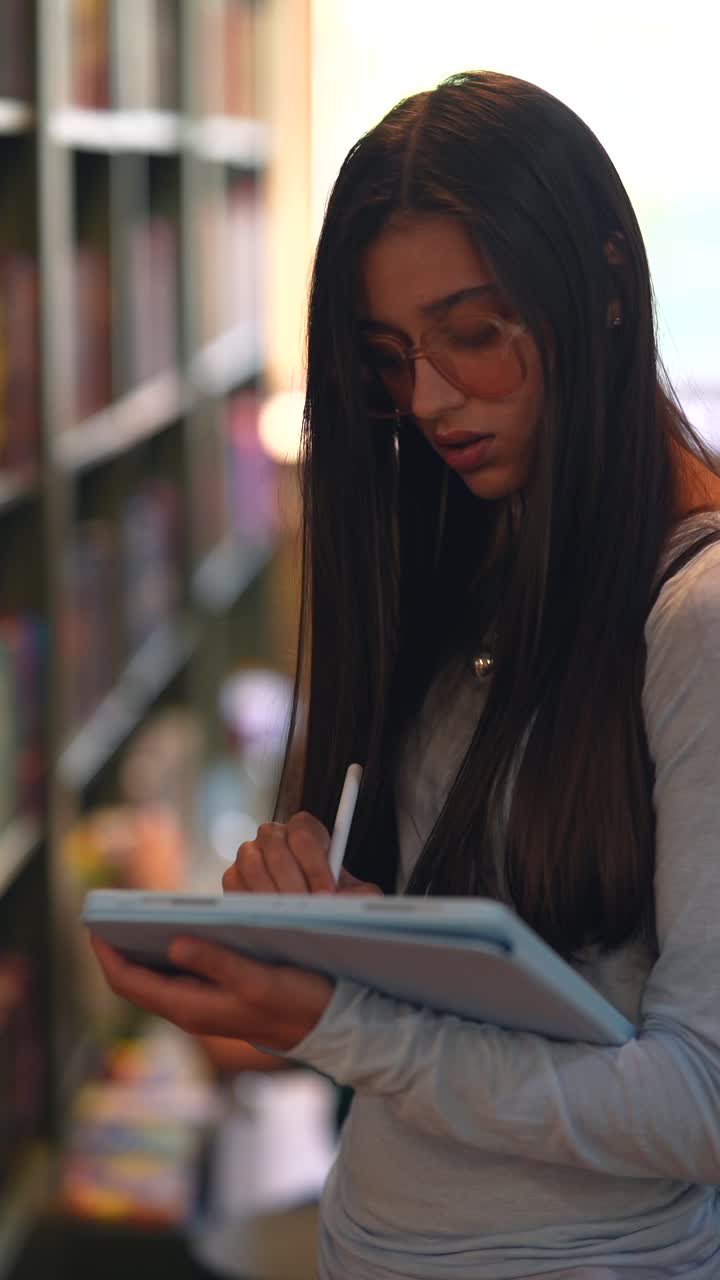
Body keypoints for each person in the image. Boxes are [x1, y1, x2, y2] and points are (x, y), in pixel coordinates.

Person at [92, 70, 720, 1279]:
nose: (430, 399)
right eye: (390, 357)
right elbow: (461, 997)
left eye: (475, 336)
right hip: (371, 1237)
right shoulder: (465, 539)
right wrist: (317, 925)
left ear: (601, 286)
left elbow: (698, 1105)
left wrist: (339, 1019)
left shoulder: (694, 616)